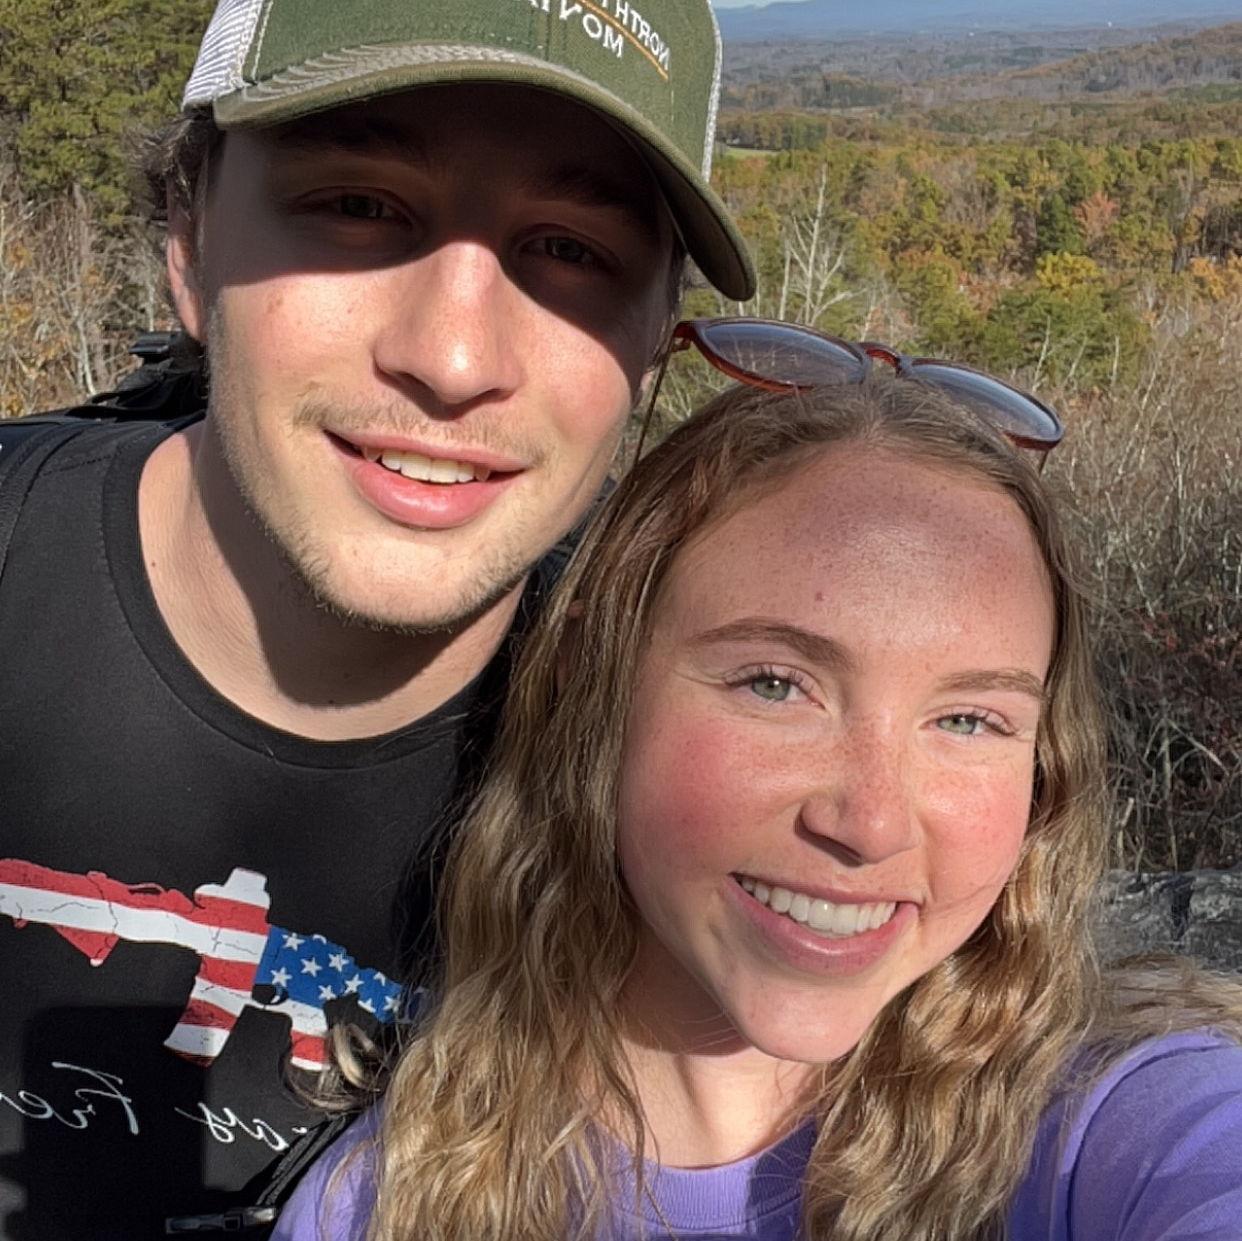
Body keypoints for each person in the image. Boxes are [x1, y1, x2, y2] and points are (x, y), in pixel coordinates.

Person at [0, 2, 756, 1236]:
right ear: (188, 241)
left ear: (651, 344)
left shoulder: (683, 775)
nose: (452, 358)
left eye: (569, 248)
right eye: (358, 205)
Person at [272, 334, 1242, 1240]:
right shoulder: (387, 1203)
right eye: (775, 684)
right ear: (587, 680)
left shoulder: (1127, 1122)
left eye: (969, 719)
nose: (870, 823)